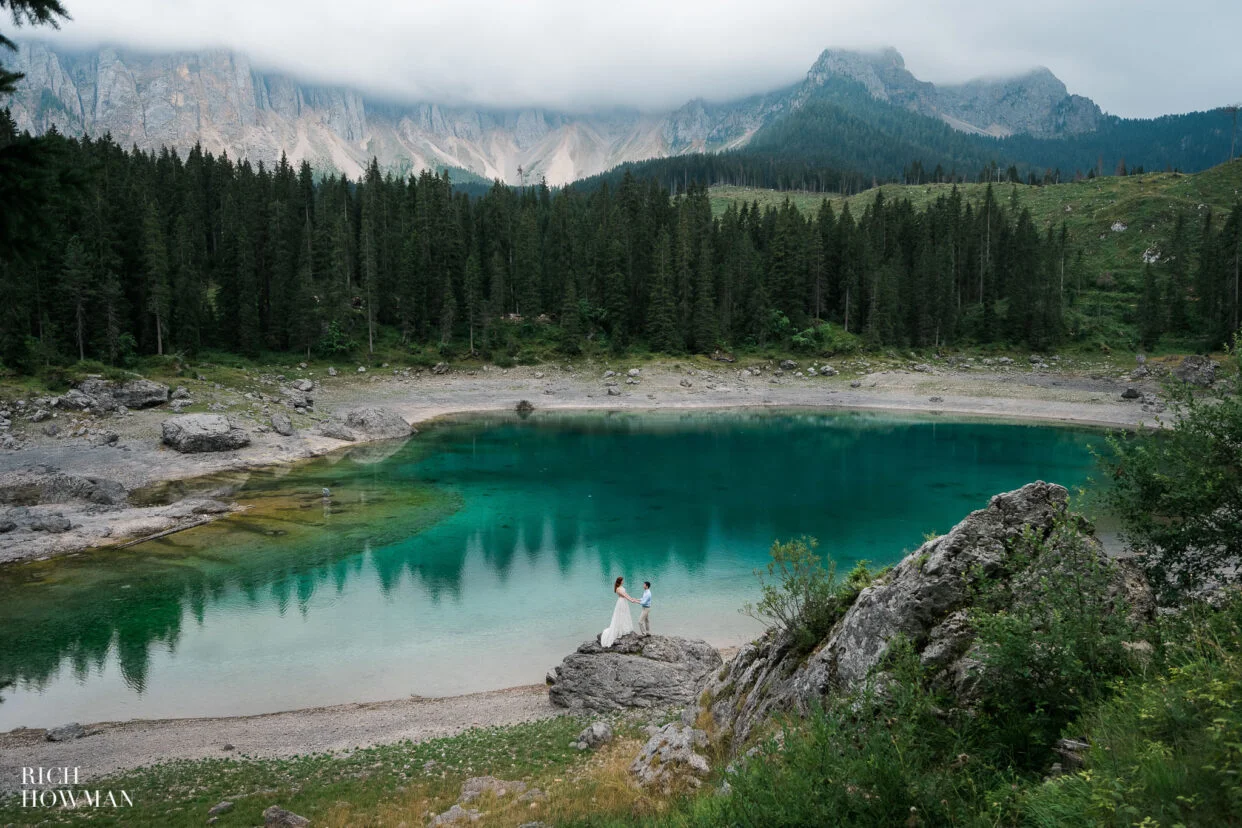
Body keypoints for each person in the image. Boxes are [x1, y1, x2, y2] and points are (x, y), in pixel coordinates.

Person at [601, 576, 640, 648]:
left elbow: (626, 594)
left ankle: (624, 627)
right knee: (620, 615)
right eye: (622, 580)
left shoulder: (621, 587)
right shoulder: (618, 589)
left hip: (624, 602)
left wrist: (633, 599)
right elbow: (624, 595)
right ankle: (620, 629)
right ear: (620, 581)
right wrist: (631, 600)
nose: (623, 581)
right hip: (621, 602)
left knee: (625, 615)